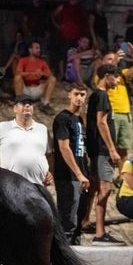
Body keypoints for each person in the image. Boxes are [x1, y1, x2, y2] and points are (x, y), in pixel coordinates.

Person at [84, 64, 124, 246]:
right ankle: (100, 234)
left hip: (95, 148)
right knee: (105, 188)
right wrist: (112, 149)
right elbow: (101, 123)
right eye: (115, 77)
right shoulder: (102, 95)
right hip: (101, 149)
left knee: (94, 186)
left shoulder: (94, 95)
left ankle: (85, 221)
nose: (117, 81)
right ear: (107, 76)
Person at [0, 94, 52, 186]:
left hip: (38, 185)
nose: (27, 105)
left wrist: (49, 172)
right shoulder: (3, 127)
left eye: (30, 103)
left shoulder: (42, 129)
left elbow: (49, 154)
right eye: (23, 103)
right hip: (11, 186)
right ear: (15, 108)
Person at [52, 82, 89, 244]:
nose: (79, 98)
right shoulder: (63, 118)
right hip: (67, 176)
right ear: (69, 95)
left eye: (82, 95)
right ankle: (63, 255)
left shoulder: (80, 119)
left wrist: (85, 173)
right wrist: (79, 174)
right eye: (76, 94)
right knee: (67, 220)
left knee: (78, 218)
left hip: (81, 174)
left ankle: (76, 251)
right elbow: (64, 148)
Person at [14, 41, 56, 114]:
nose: (39, 50)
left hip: (37, 89)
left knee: (52, 79)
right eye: (36, 48)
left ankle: (46, 104)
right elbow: (18, 73)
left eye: (39, 48)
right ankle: (20, 103)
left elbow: (50, 75)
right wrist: (32, 73)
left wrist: (42, 73)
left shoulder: (42, 61)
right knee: (17, 78)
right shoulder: (23, 60)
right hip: (25, 89)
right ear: (30, 50)